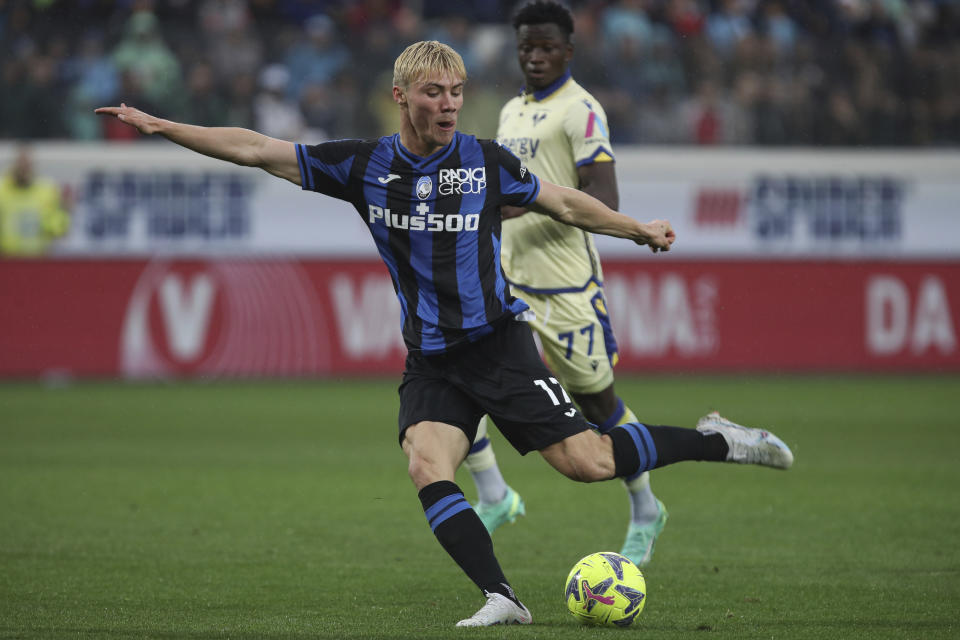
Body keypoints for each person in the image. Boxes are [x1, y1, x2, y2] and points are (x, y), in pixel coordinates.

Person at [96, 40, 794, 628]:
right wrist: (166, 126)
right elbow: (255, 148)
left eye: (457, 91)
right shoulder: (363, 166)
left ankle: (722, 440)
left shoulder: (484, 163)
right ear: (402, 96)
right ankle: (503, 597)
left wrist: (635, 227)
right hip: (432, 359)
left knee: (591, 464)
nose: (450, 103)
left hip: (499, 345)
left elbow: (562, 200)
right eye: (435, 92)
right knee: (427, 463)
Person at [466, 0, 666, 567]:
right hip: (510, 284)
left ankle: (647, 508)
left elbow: (605, 200)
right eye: (527, 47)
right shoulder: (509, 113)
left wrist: (523, 210)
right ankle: (495, 495)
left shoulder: (582, 111)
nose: (535, 56)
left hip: (568, 289)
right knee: (465, 379)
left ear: (568, 51)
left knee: (597, 406)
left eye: (547, 47)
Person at [0, 145, 70, 256]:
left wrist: (64, 211)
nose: (23, 169)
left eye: (27, 165)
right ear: (13, 166)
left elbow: (57, 229)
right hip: (7, 260)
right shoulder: (2, 191)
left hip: (37, 260)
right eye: (21, 164)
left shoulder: (46, 192)